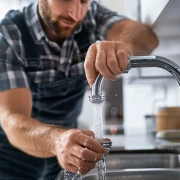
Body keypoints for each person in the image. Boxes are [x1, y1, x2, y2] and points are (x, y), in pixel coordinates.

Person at [0, 0, 159, 179]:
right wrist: (57, 141)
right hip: (12, 164)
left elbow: (145, 35)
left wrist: (123, 46)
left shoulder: (92, 17)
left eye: (84, 1)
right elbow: (12, 121)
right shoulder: (10, 35)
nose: (75, 14)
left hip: (66, 157)